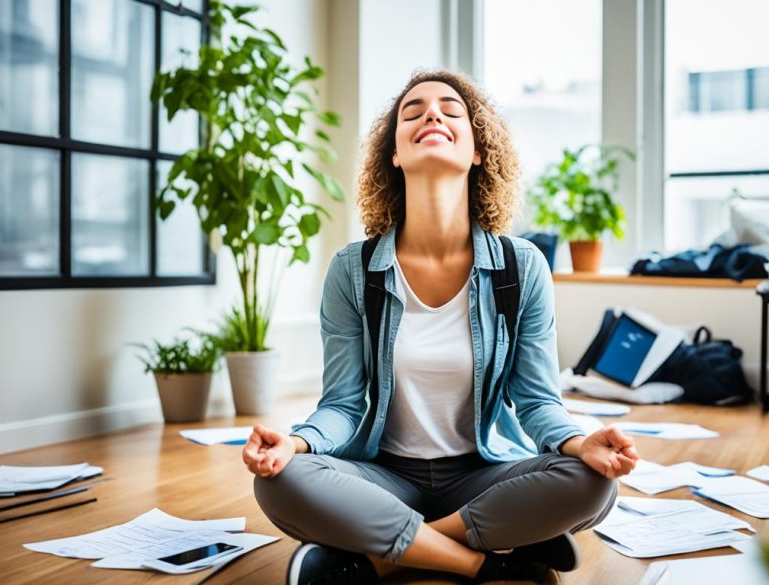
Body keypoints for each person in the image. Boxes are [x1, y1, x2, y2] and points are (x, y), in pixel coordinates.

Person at [245, 69, 639, 584]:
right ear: (395, 154)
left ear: (478, 151)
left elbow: (538, 402)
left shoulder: (521, 268)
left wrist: (577, 443)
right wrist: (293, 445)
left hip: (482, 473)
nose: (432, 114)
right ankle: (488, 564)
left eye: (451, 111)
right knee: (281, 483)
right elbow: (341, 405)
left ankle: (382, 555)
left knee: (592, 483)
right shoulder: (352, 269)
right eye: (413, 112)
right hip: (382, 475)